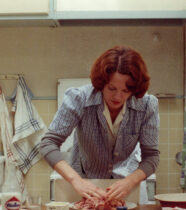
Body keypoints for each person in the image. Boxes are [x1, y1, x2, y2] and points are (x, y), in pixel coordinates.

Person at [40, 46, 160, 201]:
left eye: (126, 91)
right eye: (112, 88)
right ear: (102, 82)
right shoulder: (79, 98)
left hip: (125, 188)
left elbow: (151, 156)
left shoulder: (147, 105)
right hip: (85, 185)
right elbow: (48, 143)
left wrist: (130, 181)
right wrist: (76, 180)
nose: (118, 96)